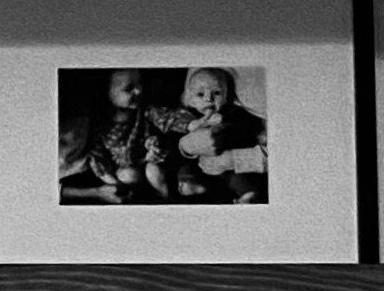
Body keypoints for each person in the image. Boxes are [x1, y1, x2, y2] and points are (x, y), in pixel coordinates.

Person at [159, 62, 269, 206]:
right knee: (187, 170)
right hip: (199, 165)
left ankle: (247, 195)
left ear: (227, 95)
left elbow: (247, 130)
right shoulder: (188, 116)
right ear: (190, 99)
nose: (208, 99)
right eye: (200, 94)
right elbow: (175, 137)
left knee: (237, 179)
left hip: (232, 160)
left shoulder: (236, 111)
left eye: (216, 93)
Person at [63, 68, 149, 200]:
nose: (139, 91)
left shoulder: (145, 113)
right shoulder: (101, 125)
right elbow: (97, 156)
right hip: (106, 175)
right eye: (128, 88)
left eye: (140, 85)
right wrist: (107, 187)